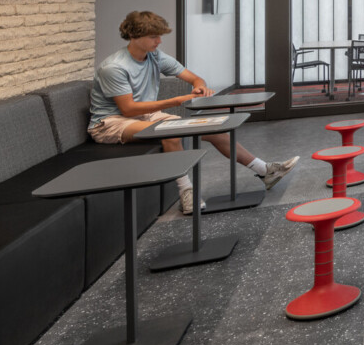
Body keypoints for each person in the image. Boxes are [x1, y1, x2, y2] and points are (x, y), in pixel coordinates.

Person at [88, 11, 299, 215]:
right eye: (153, 36)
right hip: (111, 123)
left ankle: (265, 171)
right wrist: (177, 100)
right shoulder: (114, 67)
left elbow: (194, 77)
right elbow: (128, 108)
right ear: (134, 36)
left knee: (212, 128)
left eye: (160, 36)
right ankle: (186, 194)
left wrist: (200, 86)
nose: (159, 41)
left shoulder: (155, 56)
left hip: (145, 117)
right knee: (171, 132)